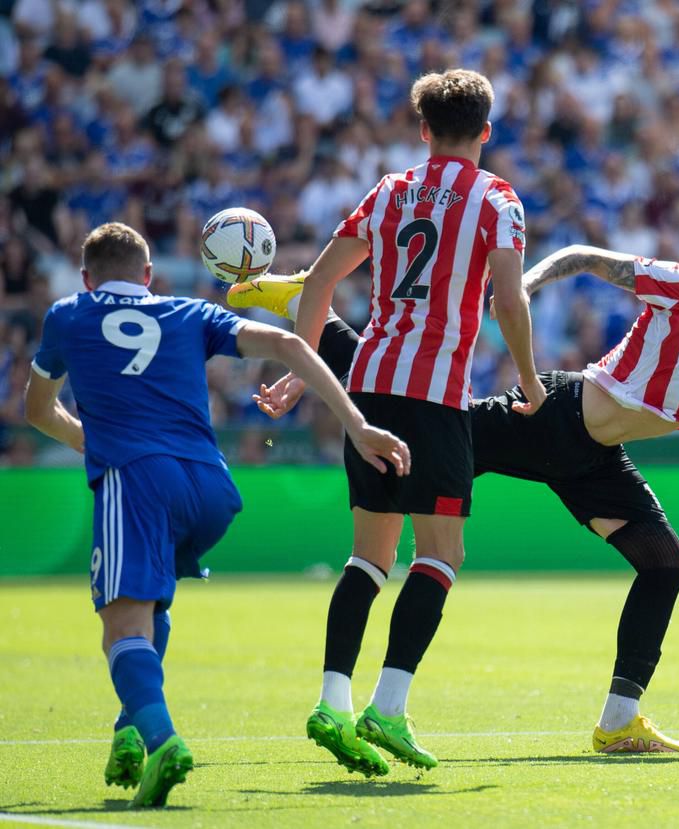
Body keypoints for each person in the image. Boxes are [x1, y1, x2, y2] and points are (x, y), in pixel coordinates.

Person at [240, 217, 679, 755]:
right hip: (554, 415)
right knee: (419, 426)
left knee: (666, 562)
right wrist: (526, 280)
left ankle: (619, 720)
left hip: (595, 458)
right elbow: (590, 257)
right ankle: (312, 312)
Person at [24, 222, 410, 807]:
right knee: (153, 603)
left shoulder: (68, 314)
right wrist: (357, 426)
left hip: (135, 477)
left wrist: (88, 438)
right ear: (149, 277)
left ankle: (161, 740)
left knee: (120, 628)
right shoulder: (188, 313)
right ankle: (128, 728)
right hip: (210, 487)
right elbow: (293, 346)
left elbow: (36, 410)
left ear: (86, 277)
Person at [229, 69, 544, 774]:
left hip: (369, 386)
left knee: (369, 556)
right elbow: (508, 301)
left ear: (424, 130)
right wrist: (527, 378)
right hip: (435, 399)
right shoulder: (497, 199)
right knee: (440, 554)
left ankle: (331, 699)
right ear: (486, 132)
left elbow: (317, 281)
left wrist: (298, 371)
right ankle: (388, 707)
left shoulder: (390, 190)